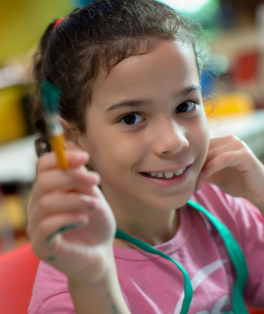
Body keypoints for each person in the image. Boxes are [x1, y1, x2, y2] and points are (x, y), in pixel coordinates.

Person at [27, 0, 264, 313]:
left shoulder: (220, 205)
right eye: (131, 118)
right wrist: (94, 283)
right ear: (73, 137)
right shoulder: (72, 292)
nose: (174, 142)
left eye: (185, 106)